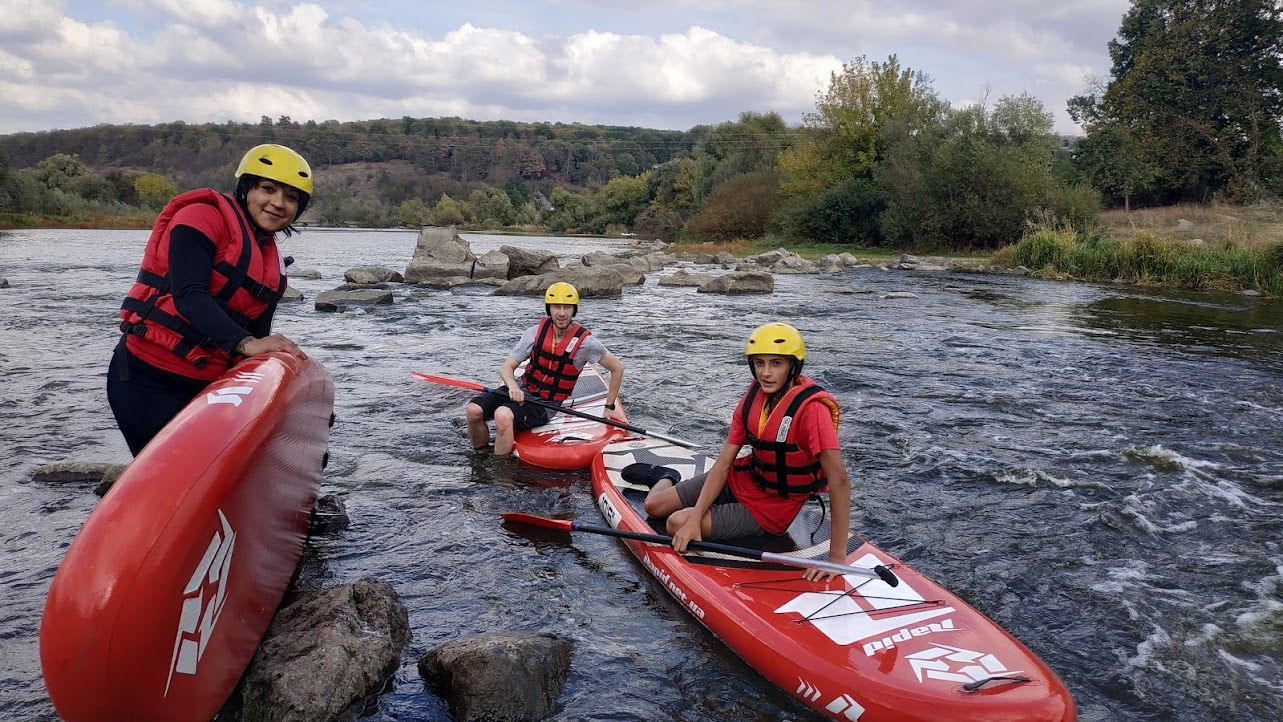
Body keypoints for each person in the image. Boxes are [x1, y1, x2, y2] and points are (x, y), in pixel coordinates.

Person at [107, 144, 313, 456]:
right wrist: (246, 344)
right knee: (174, 477)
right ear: (245, 188)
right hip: (147, 379)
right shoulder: (200, 217)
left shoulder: (274, 265)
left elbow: (259, 336)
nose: (278, 203)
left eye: (291, 197)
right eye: (268, 189)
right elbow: (189, 294)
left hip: (211, 390)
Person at [642, 322, 851, 581]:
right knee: (653, 505)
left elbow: (839, 482)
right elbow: (723, 463)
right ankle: (666, 476)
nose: (765, 373)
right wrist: (698, 517)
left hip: (771, 509)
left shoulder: (812, 411)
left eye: (776, 363)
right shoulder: (753, 398)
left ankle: (706, 512)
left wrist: (836, 559)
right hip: (743, 479)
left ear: (793, 366)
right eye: (759, 363)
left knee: (677, 523)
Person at [466, 281, 625, 456]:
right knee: (473, 410)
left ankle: (501, 471)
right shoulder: (534, 333)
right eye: (557, 307)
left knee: (502, 415)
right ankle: (479, 458)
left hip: (547, 404)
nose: (562, 313)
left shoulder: (586, 343)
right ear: (549, 309)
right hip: (524, 389)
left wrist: (609, 406)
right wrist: (513, 387)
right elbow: (506, 368)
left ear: (574, 310)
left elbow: (617, 368)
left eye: (567, 308)